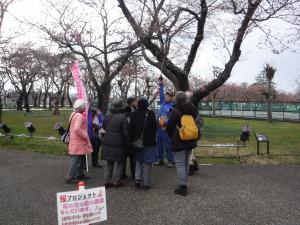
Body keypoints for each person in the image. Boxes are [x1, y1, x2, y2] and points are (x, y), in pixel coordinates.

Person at [166, 91, 197, 196]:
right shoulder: (192, 108)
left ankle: (182, 187)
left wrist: (171, 136)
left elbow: (169, 126)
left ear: (177, 100)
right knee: (186, 163)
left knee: (179, 164)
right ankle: (184, 183)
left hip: (179, 140)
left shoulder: (175, 111)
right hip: (190, 139)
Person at [102, 98, 130, 188]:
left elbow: (104, 126)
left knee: (109, 162)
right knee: (120, 162)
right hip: (119, 143)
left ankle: (106, 180)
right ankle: (117, 181)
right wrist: (128, 144)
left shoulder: (107, 115)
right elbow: (125, 133)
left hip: (107, 141)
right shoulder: (123, 117)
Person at [130, 98, 157, 190]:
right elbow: (154, 128)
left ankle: (137, 180)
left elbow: (131, 129)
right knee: (147, 163)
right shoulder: (151, 113)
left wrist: (133, 140)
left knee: (138, 161)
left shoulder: (133, 114)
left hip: (137, 142)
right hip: (149, 142)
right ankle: (146, 183)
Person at [66, 99, 93, 184]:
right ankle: (70, 177)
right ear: (81, 107)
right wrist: (84, 136)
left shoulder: (73, 114)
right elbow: (77, 128)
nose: (85, 107)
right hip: (78, 141)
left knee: (81, 159)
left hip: (75, 141)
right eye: (84, 106)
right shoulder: (79, 116)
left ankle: (80, 174)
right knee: (76, 160)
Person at [155, 77, 175, 167]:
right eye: (166, 96)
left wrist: (166, 123)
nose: (166, 97)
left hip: (166, 128)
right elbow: (161, 93)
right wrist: (161, 83)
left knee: (167, 145)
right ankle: (160, 159)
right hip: (159, 128)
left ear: (172, 98)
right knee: (158, 144)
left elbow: (172, 118)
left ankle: (171, 161)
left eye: (168, 96)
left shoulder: (173, 106)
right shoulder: (163, 102)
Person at [121, 96, 137, 179]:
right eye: (135, 101)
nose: (136, 102)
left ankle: (122, 174)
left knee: (123, 158)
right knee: (133, 157)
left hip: (123, 139)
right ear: (131, 104)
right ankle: (134, 174)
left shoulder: (121, 115)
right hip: (131, 138)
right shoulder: (132, 114)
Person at [87, 100, 103, 168]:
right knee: (86, 149)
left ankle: (95, 162)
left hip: (96, 134)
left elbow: (102, 122)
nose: (93, 109)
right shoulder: (87, 112)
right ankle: (83, 164)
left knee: (96, 149)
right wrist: (91, 125)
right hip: (88, 134)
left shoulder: (99, 113)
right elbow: (87, 123)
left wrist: (98, 125)